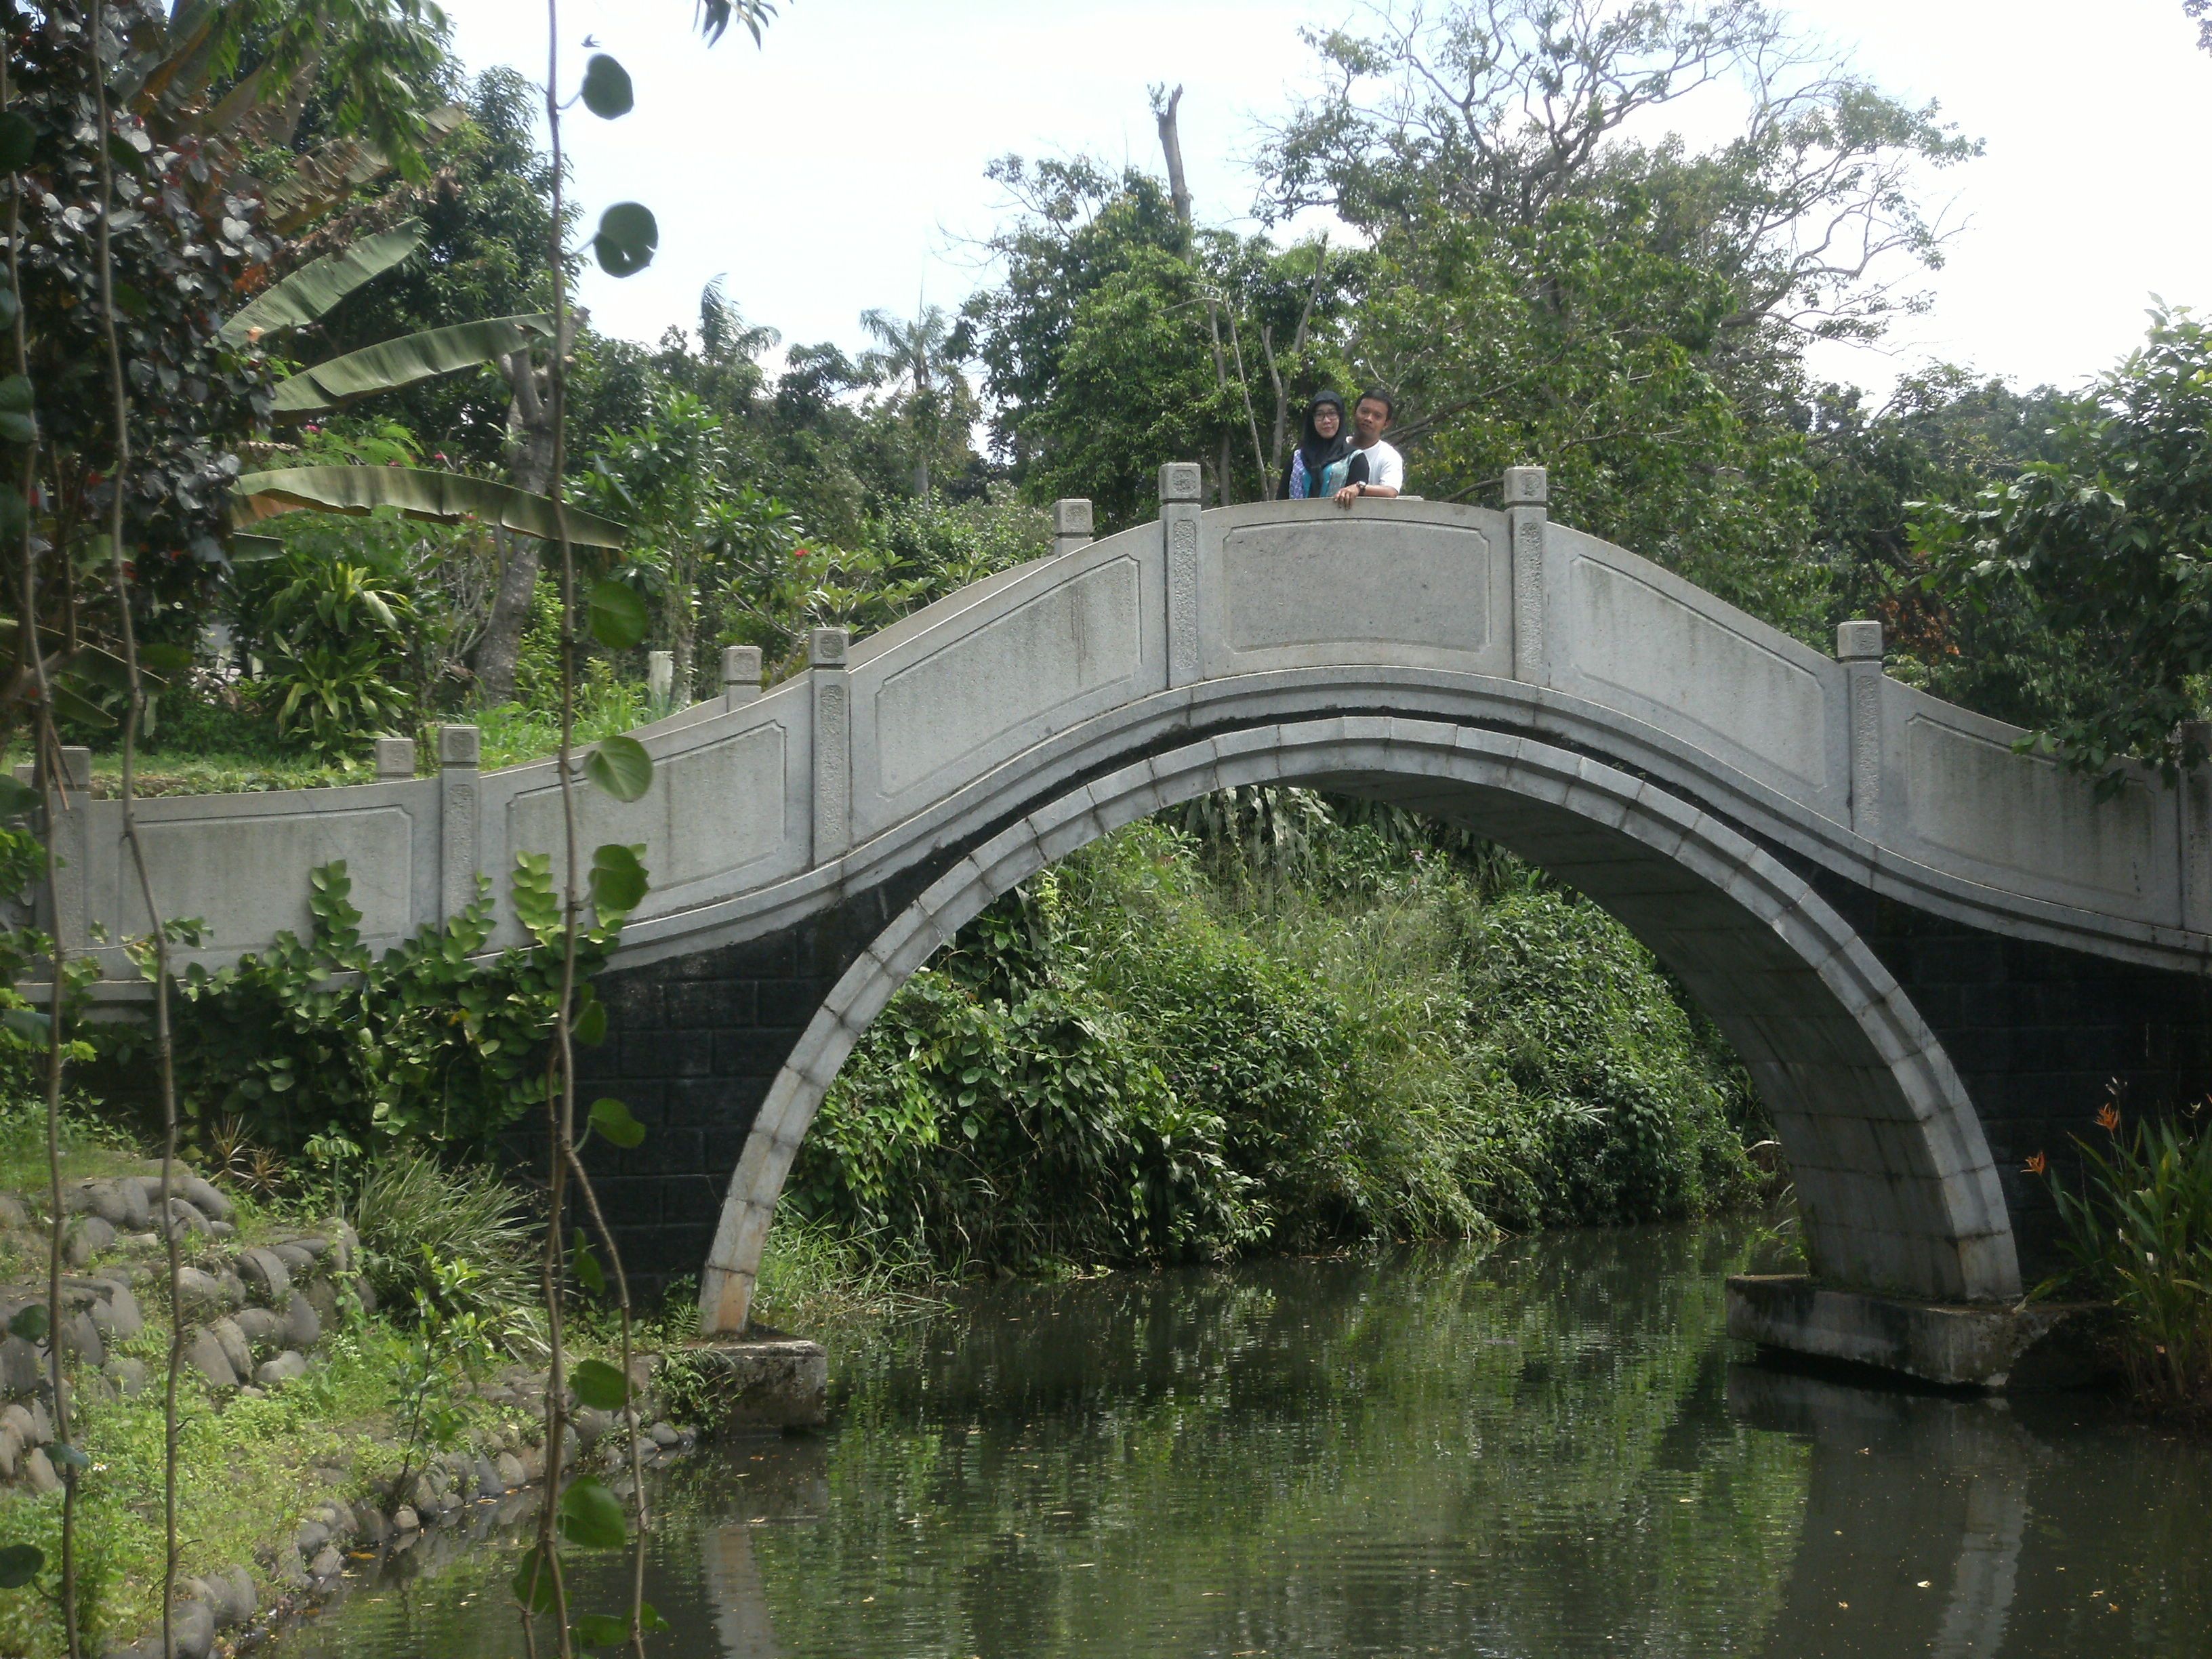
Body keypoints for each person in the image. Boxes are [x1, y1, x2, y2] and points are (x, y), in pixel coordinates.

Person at [1280, 390, 1363, 501]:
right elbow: (1281, 499)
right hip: (1298, 517)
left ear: (1340, 417)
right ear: (1312, 420)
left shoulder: (1354, 458)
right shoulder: (1298, 458)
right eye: (1319, 415)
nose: (1326, 420)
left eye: (1332, 414)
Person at [1333, 390, 1404, 508]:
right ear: (1354, 413)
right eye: (1364, 412)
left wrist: (1358, 488)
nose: (1369, 418)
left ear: (1386, 424)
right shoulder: (1335, 446)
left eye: (1377, 416)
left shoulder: (1389, 456)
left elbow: (1391, 491)